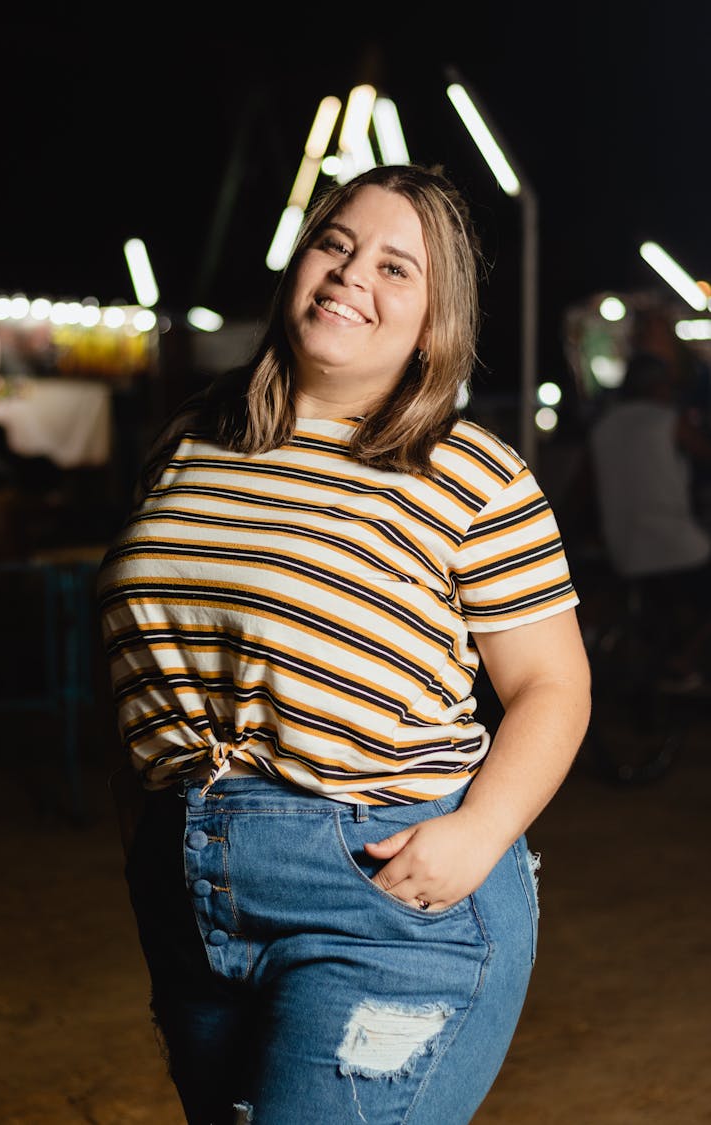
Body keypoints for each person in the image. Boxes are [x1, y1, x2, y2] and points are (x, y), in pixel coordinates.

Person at [97, 163, 591, 1124]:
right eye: (336, 242)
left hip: (383, 893)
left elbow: (552, 686)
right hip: (191, 896)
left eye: (397, 267)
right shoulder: (191, 440)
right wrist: (149, 834)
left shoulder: (467, 471)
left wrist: (479, 834)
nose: (351, 274)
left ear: (435, 319)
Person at [589, 350, 711, 688]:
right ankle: (684, 661)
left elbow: (586, 487)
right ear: (658, 387)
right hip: (675, 545)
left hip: (624, 548)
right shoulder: (668, 419)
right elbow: (704, 452)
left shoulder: (603, 428)